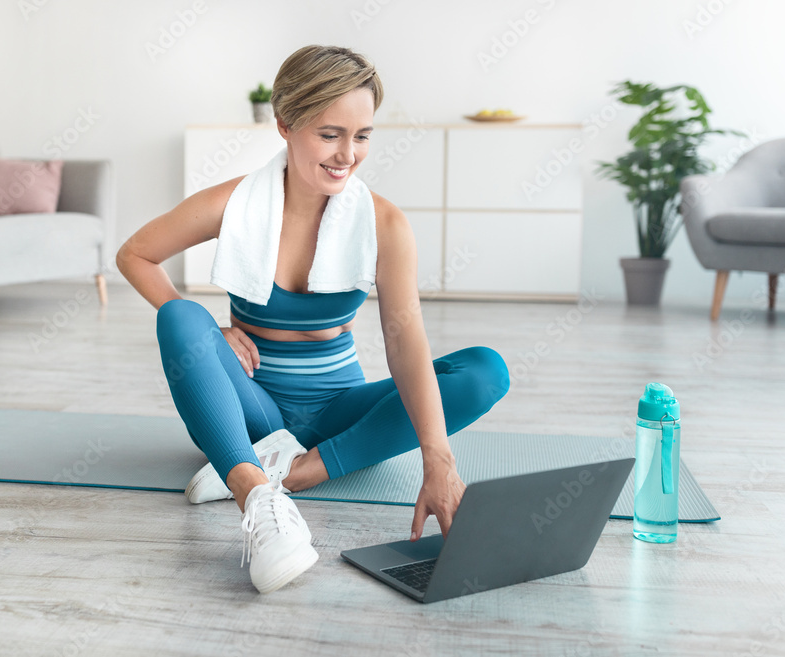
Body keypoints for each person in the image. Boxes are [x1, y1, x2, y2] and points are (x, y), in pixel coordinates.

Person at [116, 45, 510, 594]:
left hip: (340, 416)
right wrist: (219, 331)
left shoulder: (383, 223)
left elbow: (405, 341)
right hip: (252, 408)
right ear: (286, 124)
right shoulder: (233, 205)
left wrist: (437, 457)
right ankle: (254, 489)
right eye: (330, 134)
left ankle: (298, 471)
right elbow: (135, 253)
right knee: (181, 318)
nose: (348, 154)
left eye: (363, 135)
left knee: (485, 371)